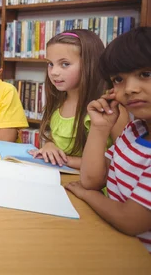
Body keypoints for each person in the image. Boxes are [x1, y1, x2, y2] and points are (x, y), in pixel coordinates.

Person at [66, 27, 151, 253]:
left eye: (146, 74)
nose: (130, 89)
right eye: (119, 79)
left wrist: (87, 195)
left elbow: (131, 221)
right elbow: (92, 180)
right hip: (117, 241)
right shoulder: (135, 131)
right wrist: (100, 127)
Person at [29, 30, 128, 169]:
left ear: (90, 64)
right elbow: (51, 138)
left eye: (65, 64)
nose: (53, 72)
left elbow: (122, 162)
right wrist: (49, 146)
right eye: (50, 64)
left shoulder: (110, 109)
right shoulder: (58, 101)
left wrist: (64, 160)